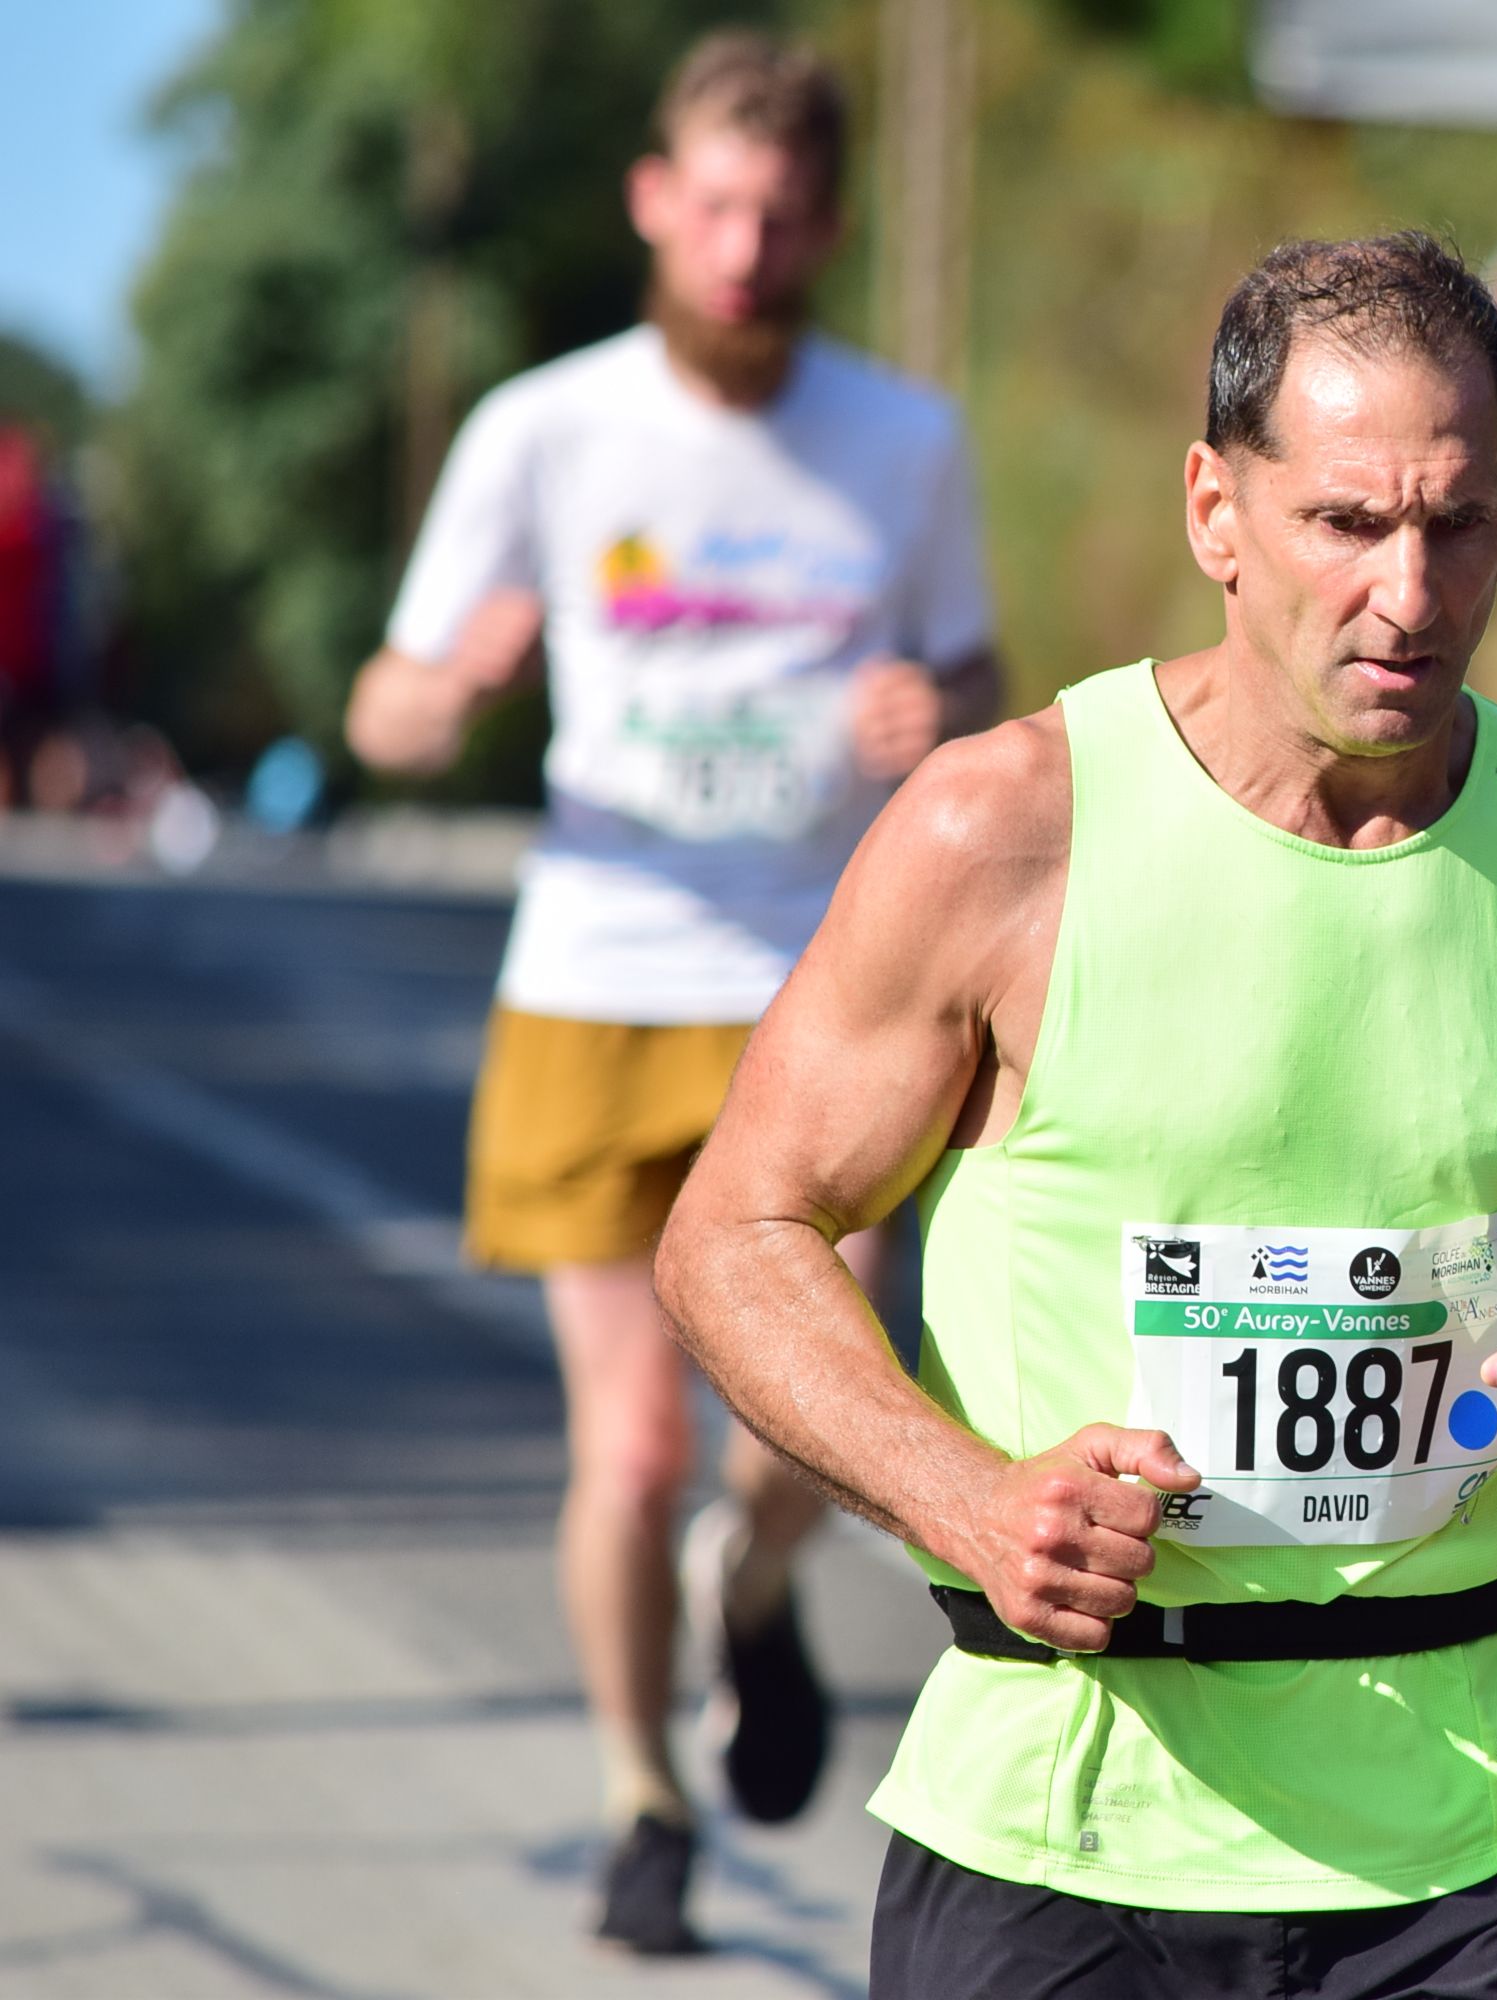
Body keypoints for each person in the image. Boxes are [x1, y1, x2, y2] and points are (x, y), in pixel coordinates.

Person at [656, 232, 1497, 1999]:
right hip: (1063, 1833)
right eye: (1345, 522)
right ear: (1215, 511)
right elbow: (733, 1234)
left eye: (1456, 523)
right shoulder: (1007, 833)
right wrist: (971, 1500)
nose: (1407, 590)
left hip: (1470, 1851)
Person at [343, 30, 1000, 1955]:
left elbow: (980, 683)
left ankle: (758, 1585)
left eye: (780, 218)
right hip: (597, 984)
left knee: (814, 1431)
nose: (742, 249)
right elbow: (383, 708)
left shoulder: (905, 441)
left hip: (829, 993)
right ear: (654, 201)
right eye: (714, 207)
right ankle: (644, 1801)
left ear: (831, 228)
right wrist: (448, 693)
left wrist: (935, 709)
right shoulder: (544, 431)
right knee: (628, 1451)